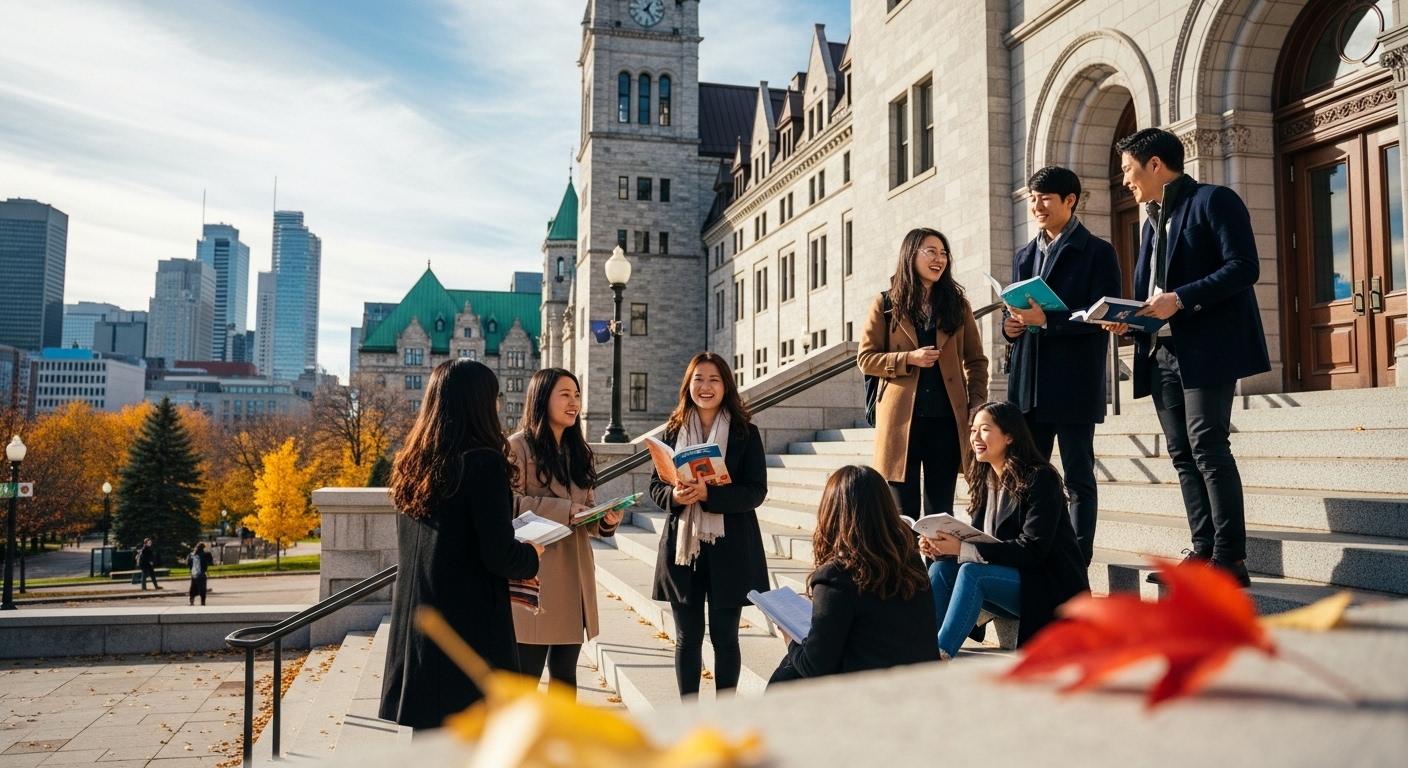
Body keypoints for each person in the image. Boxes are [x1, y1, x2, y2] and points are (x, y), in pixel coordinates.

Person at [1112, 127, 1271, 588]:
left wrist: (1180, 299)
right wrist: (1130, 318)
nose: (1126, 182)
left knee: (1208, 448)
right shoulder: (1149, 220)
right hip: (1160, 351)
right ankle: (1203, 550)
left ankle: (1230, 559)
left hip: (1207, 350)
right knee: (1182, 454)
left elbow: (1244, 267)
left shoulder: (1214, 201)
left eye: (1128, 171)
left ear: (1155, 165)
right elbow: (1151, 291)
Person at [379, 359, 543, 729]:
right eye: (494, 397)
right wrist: (531, 554)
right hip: (465, 629)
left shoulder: (413, 463)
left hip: (417, 623)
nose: (499, 406)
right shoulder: (483, 463)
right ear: (478, 403)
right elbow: (499, 554)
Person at [1004, 165, 1122, 566]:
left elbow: (1103, 316)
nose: (1036, 205)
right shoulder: (1025, 255)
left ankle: (1076, 561)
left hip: (1073, 382)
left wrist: (1049, 321)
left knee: (1077, 477)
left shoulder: (1098, 252)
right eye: (1032, 198)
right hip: (1028, 384)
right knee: (1026, 476)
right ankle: (1028, 553)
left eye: (1045, 198)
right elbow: (1021, 312)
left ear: (1070, 201)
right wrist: (1012, 327)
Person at [920, 402, 1088, 659]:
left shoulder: (1039, 479)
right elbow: (979, 541)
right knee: (941, 568)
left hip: (1048, 585)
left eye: (984, 429)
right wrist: (942, 548)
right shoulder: (985, 480)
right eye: (973, 430)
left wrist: (963, 549)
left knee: (972, 572)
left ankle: (939, 652)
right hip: (1009, 581)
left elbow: (1033, 549)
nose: (975, 437)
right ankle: (920, 644)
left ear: (1009, 436)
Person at [649, 352, 769, 699]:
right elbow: (655, 488)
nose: (705, 386)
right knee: (687, 638)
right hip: (683, 549)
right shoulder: (671, 432)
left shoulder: (746, 433)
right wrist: (675, 495)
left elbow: (756, 491)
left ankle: (725, 714)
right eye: (698, 379)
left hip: (730, 547)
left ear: (725, 386)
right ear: (688, 385)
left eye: (714, 380)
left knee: (725, 637)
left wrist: (710, 495)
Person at [858, 228, 989, 521]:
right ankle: (907, 568)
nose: (939, 259)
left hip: (945, 419)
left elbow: (977, 361)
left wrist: (977, 402)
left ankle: (939, 567)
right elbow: (866, 359)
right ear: (910, 255)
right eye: (931, 251)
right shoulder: (886, 304)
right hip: (900, 422)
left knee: (940, 510)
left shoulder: (957, 304)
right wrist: (909, 359)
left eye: (943, 253)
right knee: (902, 515)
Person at [768, 465, 937, 686]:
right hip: (917, 686)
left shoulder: (836, 576)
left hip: (869, 696)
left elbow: (814, 667)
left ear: (831, 513)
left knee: (787, 673)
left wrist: (790, 638)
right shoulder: (911, 561)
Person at [508, 368, 623, 690]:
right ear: (542, 399)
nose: (574, 403)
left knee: (565, 676)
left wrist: (604, 520)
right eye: (565, 394)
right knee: (526, 678)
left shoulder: (579, 451)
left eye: (577, 395)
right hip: (535, 572)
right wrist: (566, 511)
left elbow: (585, 506)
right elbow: (509, 503)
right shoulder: (517, 448)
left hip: (574, 573)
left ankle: (563, 740)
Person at [187, 542, 213, 606]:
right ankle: (202, 602)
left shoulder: (191, 555)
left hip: (194, 574)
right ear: (203, 548)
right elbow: (211, 562)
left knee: (193, 588)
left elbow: (188, 564)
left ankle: (191, 600)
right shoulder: (206, 554)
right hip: (201, 574)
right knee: (202, 589)